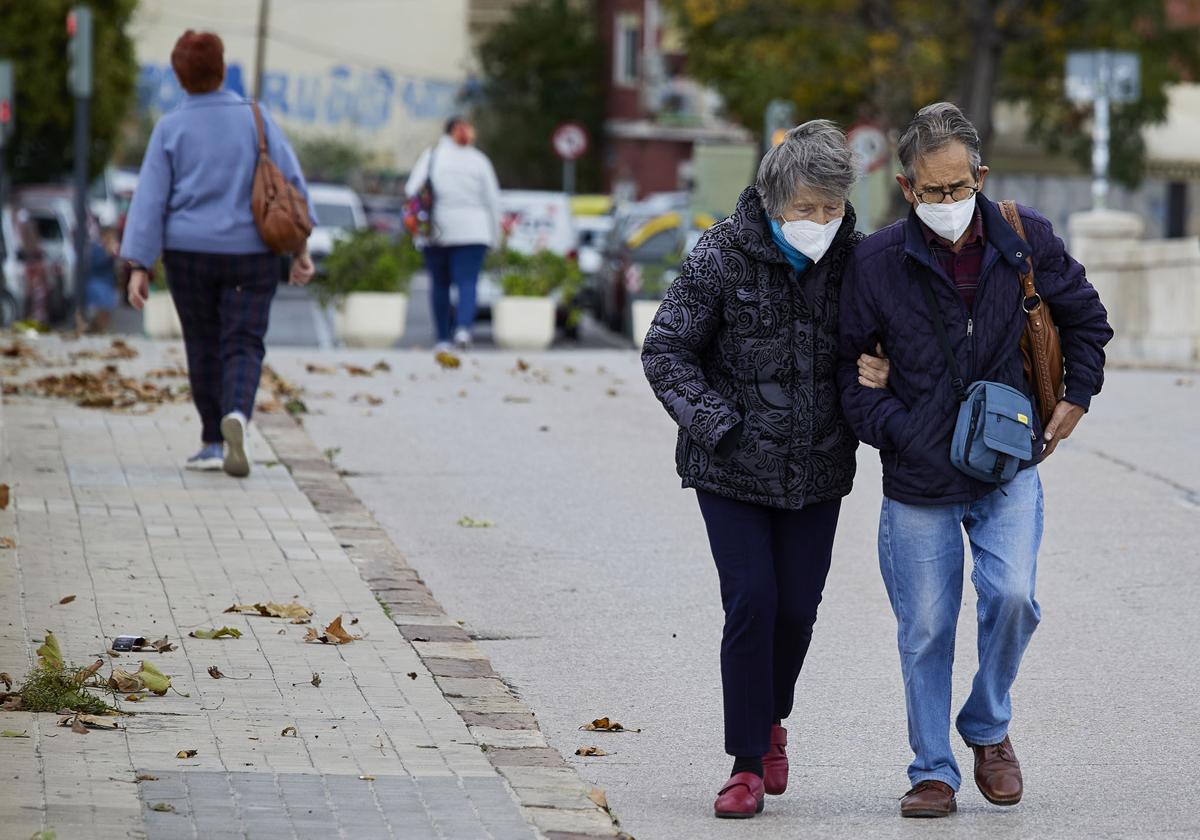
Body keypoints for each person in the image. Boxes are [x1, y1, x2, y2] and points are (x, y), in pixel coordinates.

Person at [838, 102, 1113, 818]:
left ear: (981, 176)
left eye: (962, 188)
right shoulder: (875, 261)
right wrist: (894, 427)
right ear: (907, 189)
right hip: (918, 477)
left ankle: (988, 728)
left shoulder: (1026, 240)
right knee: (926, 627)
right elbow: (845, 372)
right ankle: (933, 770)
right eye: (934, 192)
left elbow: (1087, 321)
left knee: (1015, 598)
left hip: (1007, 463)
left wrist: (1076, 396)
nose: (950, 204)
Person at [642, 121, 890, 819]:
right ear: (774, 198)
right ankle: (746, 762)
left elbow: (893, 341)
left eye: (832, 208)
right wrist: (719, 426)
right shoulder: (722, 253)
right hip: (730, 467)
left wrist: (884, 367)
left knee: (796, 610)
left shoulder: (860, 262)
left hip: (817, 469)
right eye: (806, 207)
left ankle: (772, 715)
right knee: (751, 602)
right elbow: (666, 351)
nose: (819, 221)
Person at [121, 30, 315, 477]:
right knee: (243, 342)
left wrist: (139, 265)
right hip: (252, 253)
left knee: (203, 343)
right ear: (223, 69)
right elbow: (291, 188)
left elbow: (150, 200)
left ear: (179, 77)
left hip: (188, 253)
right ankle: (237, 414)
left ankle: (211, 440)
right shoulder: (257, 119)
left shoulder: (169, 127)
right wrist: (301, 250)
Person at [405, 116, 500, 352]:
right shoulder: (479, 161)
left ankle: (442, 338)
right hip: (475, 231)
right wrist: (496, 236)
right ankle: (463, 329)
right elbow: (493, 200)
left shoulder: (433, 156)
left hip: (437, 230)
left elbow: (411, 189)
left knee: (440, 284)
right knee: (468, 282)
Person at [83, 222, 118, 333]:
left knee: (107, 311)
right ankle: (97, 330)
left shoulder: (109, 249)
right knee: (100, 310)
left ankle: (101, 330)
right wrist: (108, 254)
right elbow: (94, 265)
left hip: (108, 283)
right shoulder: (96, 248)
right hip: (97, 283)